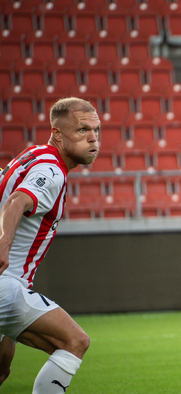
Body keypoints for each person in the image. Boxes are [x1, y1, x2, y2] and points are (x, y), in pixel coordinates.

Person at [0, 97, 99, 393]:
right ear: (57, 133)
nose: (93, 138)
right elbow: (17, 201)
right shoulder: (51, 170)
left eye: (96, 130)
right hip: (6, 285)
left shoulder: (30, 156)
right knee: (75, 341)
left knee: (2, 365)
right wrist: (3, 244)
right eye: (82, 130)